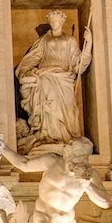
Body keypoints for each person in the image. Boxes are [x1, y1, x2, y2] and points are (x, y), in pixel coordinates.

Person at [1, 137, 109, 223]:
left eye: (84, 157)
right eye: (77, 156)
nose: (81, 161)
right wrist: (3, 148)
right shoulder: (52, 161)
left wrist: (87, 185)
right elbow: (24, 164)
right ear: (68, 153)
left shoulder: (89, 174)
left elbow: (105, 203)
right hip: (44, 219)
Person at [15, 10, 92, 145]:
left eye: (57, 21)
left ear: (62, 22)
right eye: (52, 21)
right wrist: (24, 70)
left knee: (67, 110)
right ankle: (47, 136)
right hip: (45, 77)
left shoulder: (70, 40)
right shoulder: (43, 40)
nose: (54, 23)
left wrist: (89, 44)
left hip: (64, 80)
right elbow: (33, 57)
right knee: (47, 107)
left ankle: (66, 137)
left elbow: (78, 64)